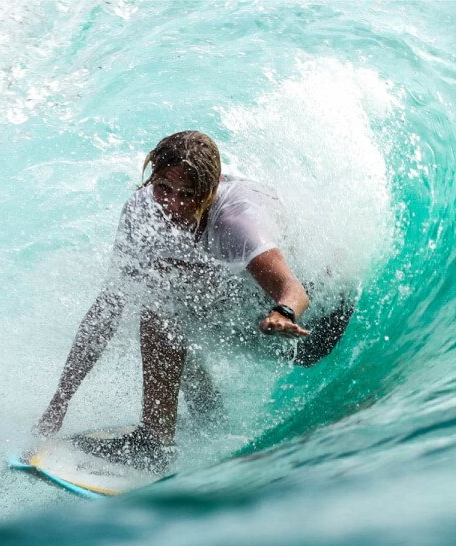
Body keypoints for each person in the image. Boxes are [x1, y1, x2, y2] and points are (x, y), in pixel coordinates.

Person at [34, 131, 353, 472]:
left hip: (311, 328)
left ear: (211, 190)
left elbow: (293, 288)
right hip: (250, 312)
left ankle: (155, 443)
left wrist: (283, 312)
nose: (172, 204)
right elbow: (107, 309)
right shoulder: (142, 210)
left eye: (187, 194)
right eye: (163, 188)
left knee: (163, 304)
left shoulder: (236, 222)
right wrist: (60, 401)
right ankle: (206, 416)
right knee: (160, 288)